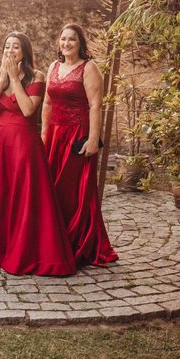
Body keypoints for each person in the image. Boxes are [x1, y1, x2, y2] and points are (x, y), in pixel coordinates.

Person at [0, 32, 76, 275]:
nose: (10, 51)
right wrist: (4, 77)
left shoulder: (36, 76)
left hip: (25, 144)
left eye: (15, 47)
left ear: (25, 51)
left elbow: (28, 110)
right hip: (2, 142)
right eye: (7, 47)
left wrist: (16, 79)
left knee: (27, 197)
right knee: (1, 195)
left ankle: (25, 251)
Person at [41, 23, 118, 267]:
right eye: (63, 39)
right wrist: (44, 135)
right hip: (54, 135)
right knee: (52, 188)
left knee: (75, 189)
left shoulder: (89, 68)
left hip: (78, 135)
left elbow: (96, 105)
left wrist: (93, 139)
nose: (66, 44)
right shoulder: (53, 66)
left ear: (80, 43)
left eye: (72, 39)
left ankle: (79, 243)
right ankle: (55, 241)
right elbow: (46, 104)